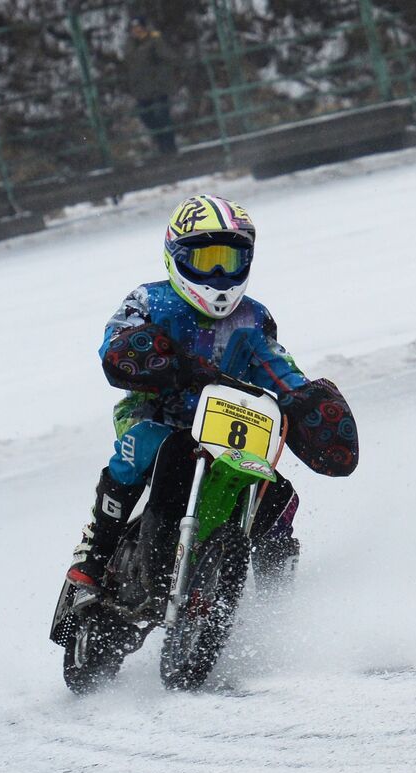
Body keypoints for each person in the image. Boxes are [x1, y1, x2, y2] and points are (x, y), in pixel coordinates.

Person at [63, 194, 359, 610]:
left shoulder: (254, 318)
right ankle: (90, 563)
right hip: (155, 414)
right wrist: (149, 355)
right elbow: (114, 345)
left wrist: (302, 399)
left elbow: (274, 362)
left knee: (279, 498)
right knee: (140, 448)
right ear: (176, 257)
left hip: (230, 425)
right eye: (206, 261)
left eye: (230, 260)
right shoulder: (149, 301)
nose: (220, 273)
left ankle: (278, 607)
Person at [124, 16, 179, 156]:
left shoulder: (154, 41)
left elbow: (168, 56)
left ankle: (170, 148)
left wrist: (157, 41)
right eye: (134, 29)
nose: (136, 32)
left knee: (162, 116)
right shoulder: (130, 44)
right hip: (141, 89)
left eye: (139, 29)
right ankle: (162, 146)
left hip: (157, 87)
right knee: (146, 117)